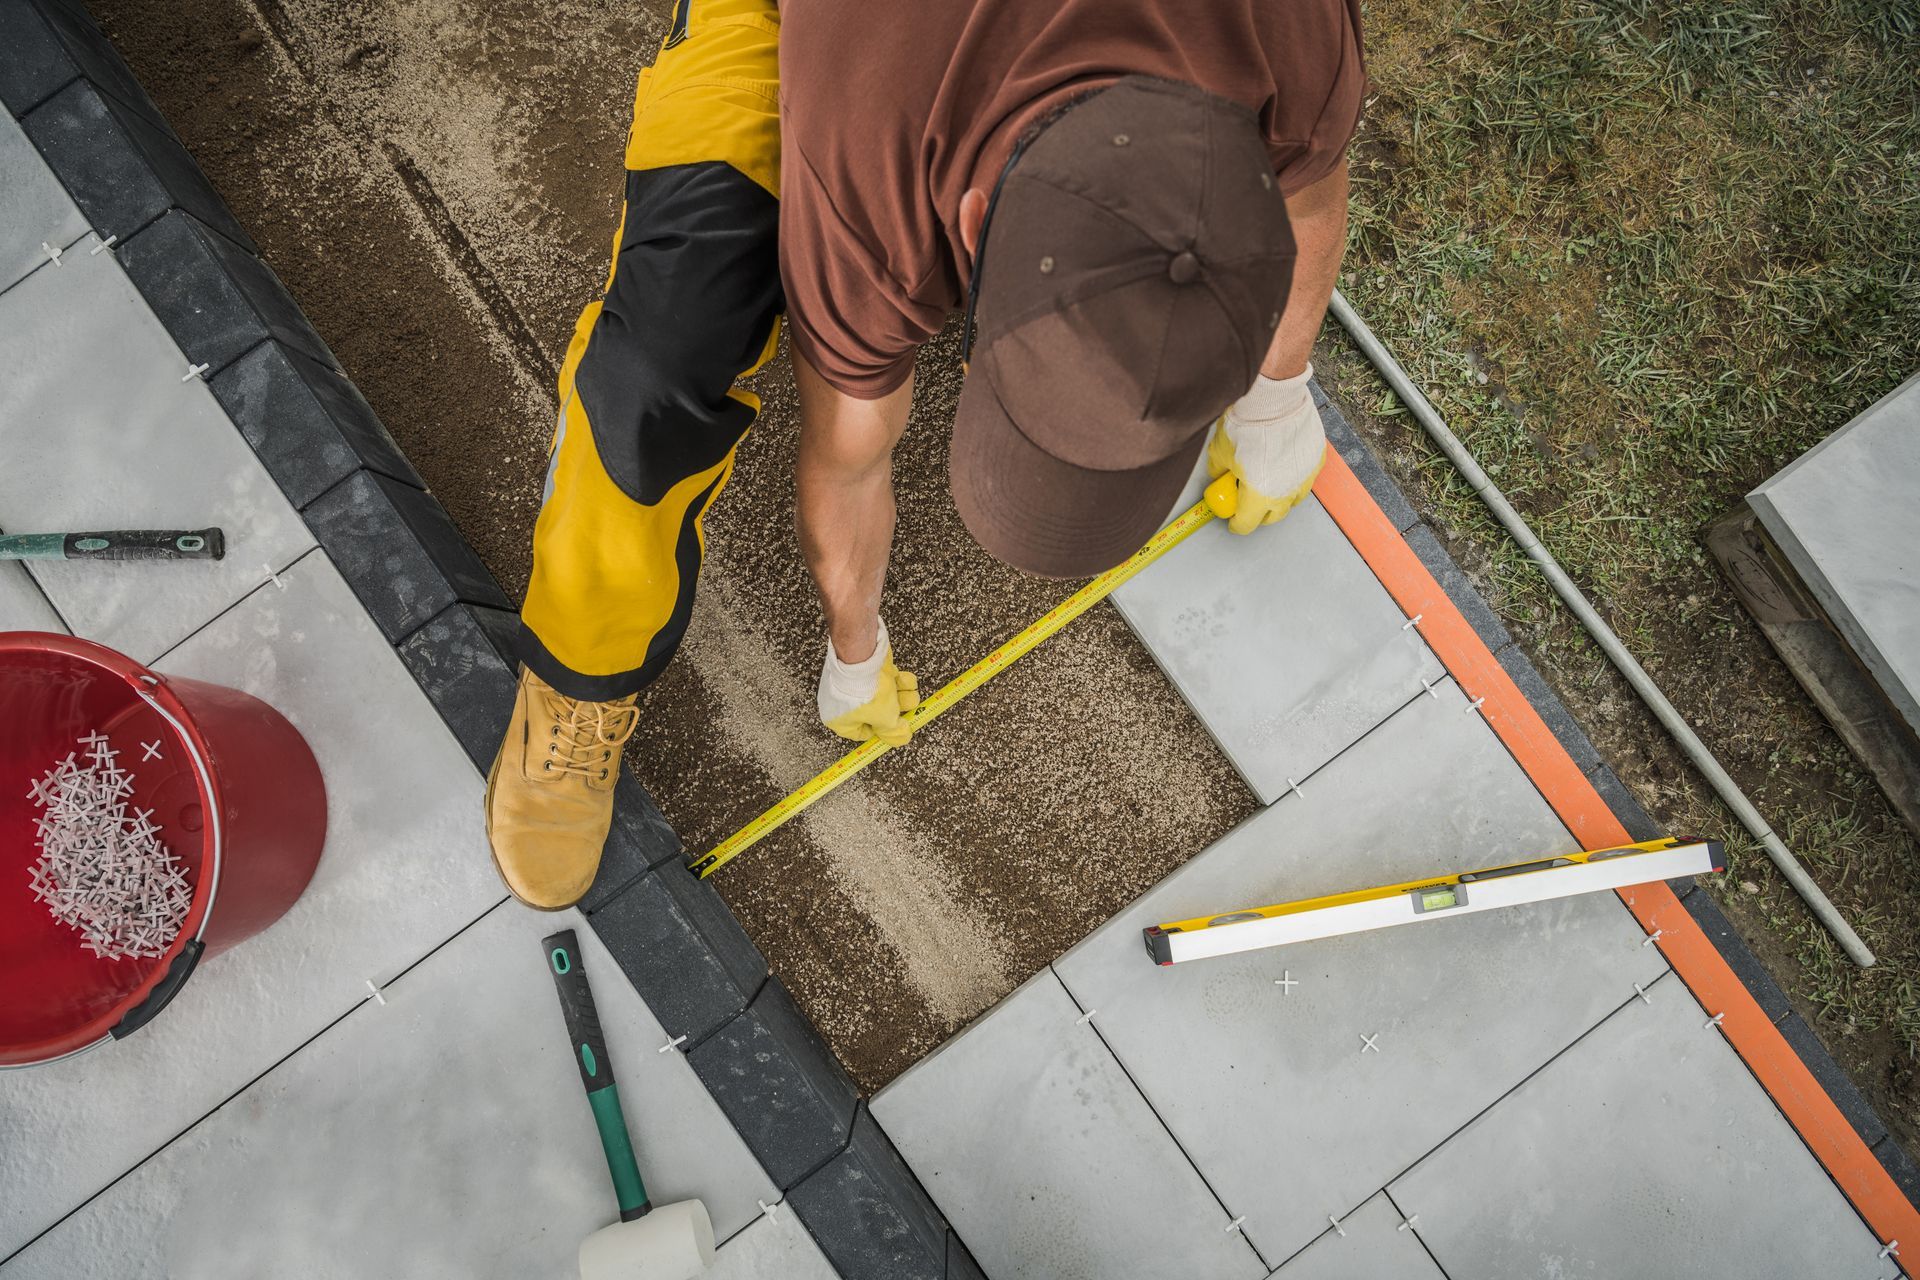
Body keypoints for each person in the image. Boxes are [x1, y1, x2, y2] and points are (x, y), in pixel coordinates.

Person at [485, 0, 1367, 909]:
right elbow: (848, 455)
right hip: (814, 33)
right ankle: (578, 677)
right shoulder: (869, 195)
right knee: (657, 364)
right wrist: (853, 645)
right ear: (974, 224)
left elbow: (1308, 189)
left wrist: (1275, 398)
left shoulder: (1290, 38)